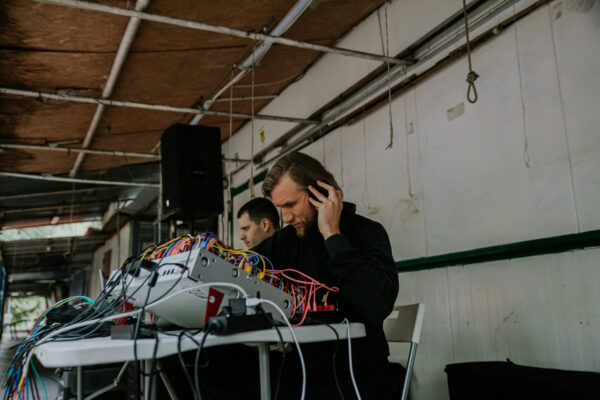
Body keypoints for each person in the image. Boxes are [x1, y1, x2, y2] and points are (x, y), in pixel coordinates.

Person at [253, 152, 401, 399]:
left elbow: (379, 303)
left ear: (320, 193)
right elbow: (245, 265)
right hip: (303, 370)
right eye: (281, 209)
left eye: (291, 205)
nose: (286, 218)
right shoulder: (286, 241)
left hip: (358, 373)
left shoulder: (367, 233)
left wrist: (332, 235)